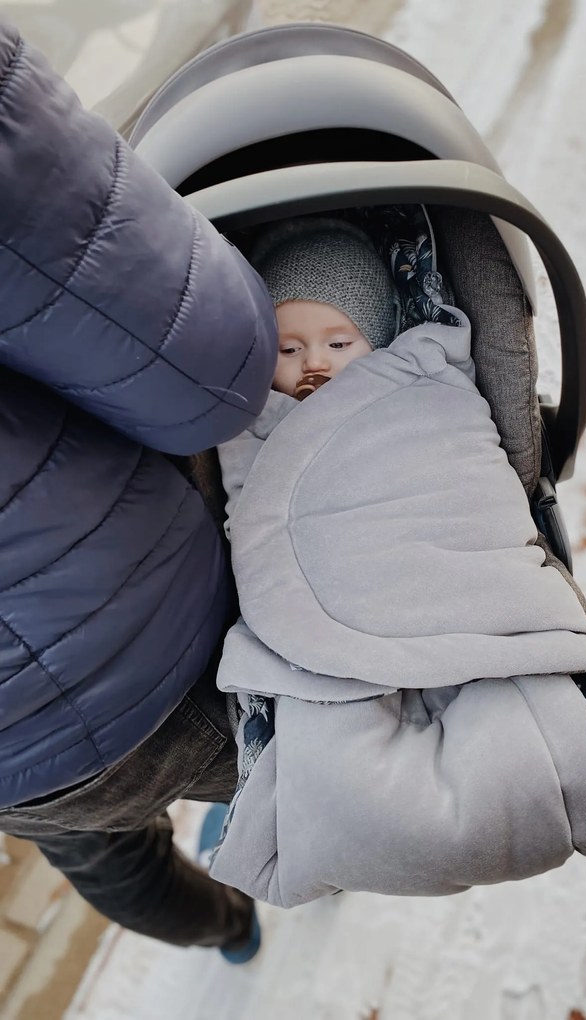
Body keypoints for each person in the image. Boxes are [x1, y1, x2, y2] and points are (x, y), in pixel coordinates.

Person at [208, 215, 586, 908]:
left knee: (509, 726)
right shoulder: (248, 417)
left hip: (446, 570)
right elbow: (243, 508)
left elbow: (457, 471)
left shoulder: (424, 378)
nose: (312, 363)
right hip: (321, 613)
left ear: (376, 339)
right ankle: (338, 826)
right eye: (287, 348)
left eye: (337, 341)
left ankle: (539, 778)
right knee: (333, 752)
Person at [0, 19, 278, 959]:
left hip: (15, 768)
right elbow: (209, 369)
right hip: (140, 626)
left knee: (109, 857)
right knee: (287, 760)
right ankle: (265, 837)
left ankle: (225, 927)